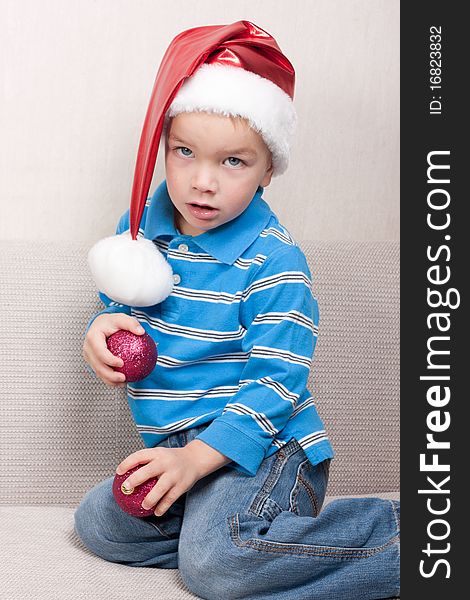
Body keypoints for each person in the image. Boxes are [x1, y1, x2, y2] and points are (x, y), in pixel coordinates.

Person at [74, 20, 400, 600]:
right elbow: (120, 307)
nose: (202, 183)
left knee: (216, 569)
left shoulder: (273, 262)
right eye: (185, 153)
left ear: (268, 169)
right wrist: (102, 329)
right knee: (101, 525)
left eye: (233, 163)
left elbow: (276, 384)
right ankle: (240, 533)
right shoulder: (139, 234)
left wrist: (201, 460)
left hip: (266, 445)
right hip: (177, 444)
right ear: (162, 148)